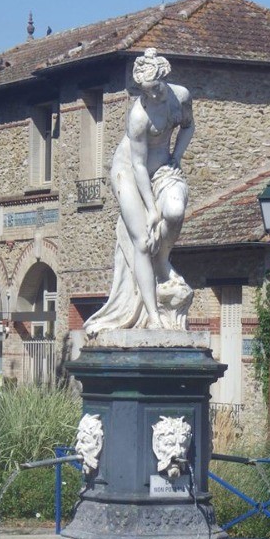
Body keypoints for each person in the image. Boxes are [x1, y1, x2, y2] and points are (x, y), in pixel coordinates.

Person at [84, 48, 195, 336]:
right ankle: (154, 316)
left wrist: (177, 156)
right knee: (143, 242)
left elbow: (188, 126)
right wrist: (151, 209)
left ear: (163, 78)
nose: (152, 95)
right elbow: (138, 165)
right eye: (146, 91)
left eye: (155, 88)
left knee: (175, 211)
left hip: (163, 168)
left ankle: (163, 261)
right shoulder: (138, 116)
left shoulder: (181, 96)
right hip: (129, 174)